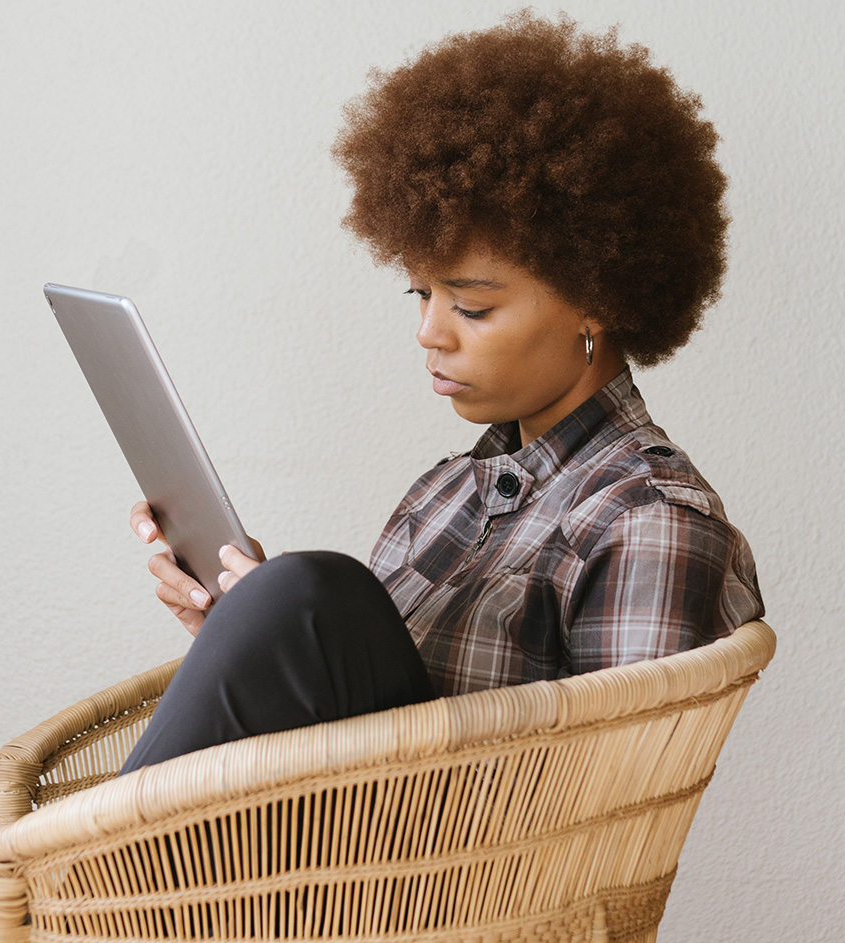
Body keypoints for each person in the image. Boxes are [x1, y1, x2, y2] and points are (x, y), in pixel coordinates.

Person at [120, 11, 763, 774]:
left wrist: (296, 610)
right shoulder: (446, 493)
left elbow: (614, 803)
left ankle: (65, 880)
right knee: (295, 598)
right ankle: (78, 876)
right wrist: (252, 637)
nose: (429, 332)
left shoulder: (648, 522)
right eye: (419, 294)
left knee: (314, 590)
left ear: (599, 300)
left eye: (472, 305)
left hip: (468, 883)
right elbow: (368, 723)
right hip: (324, 852)